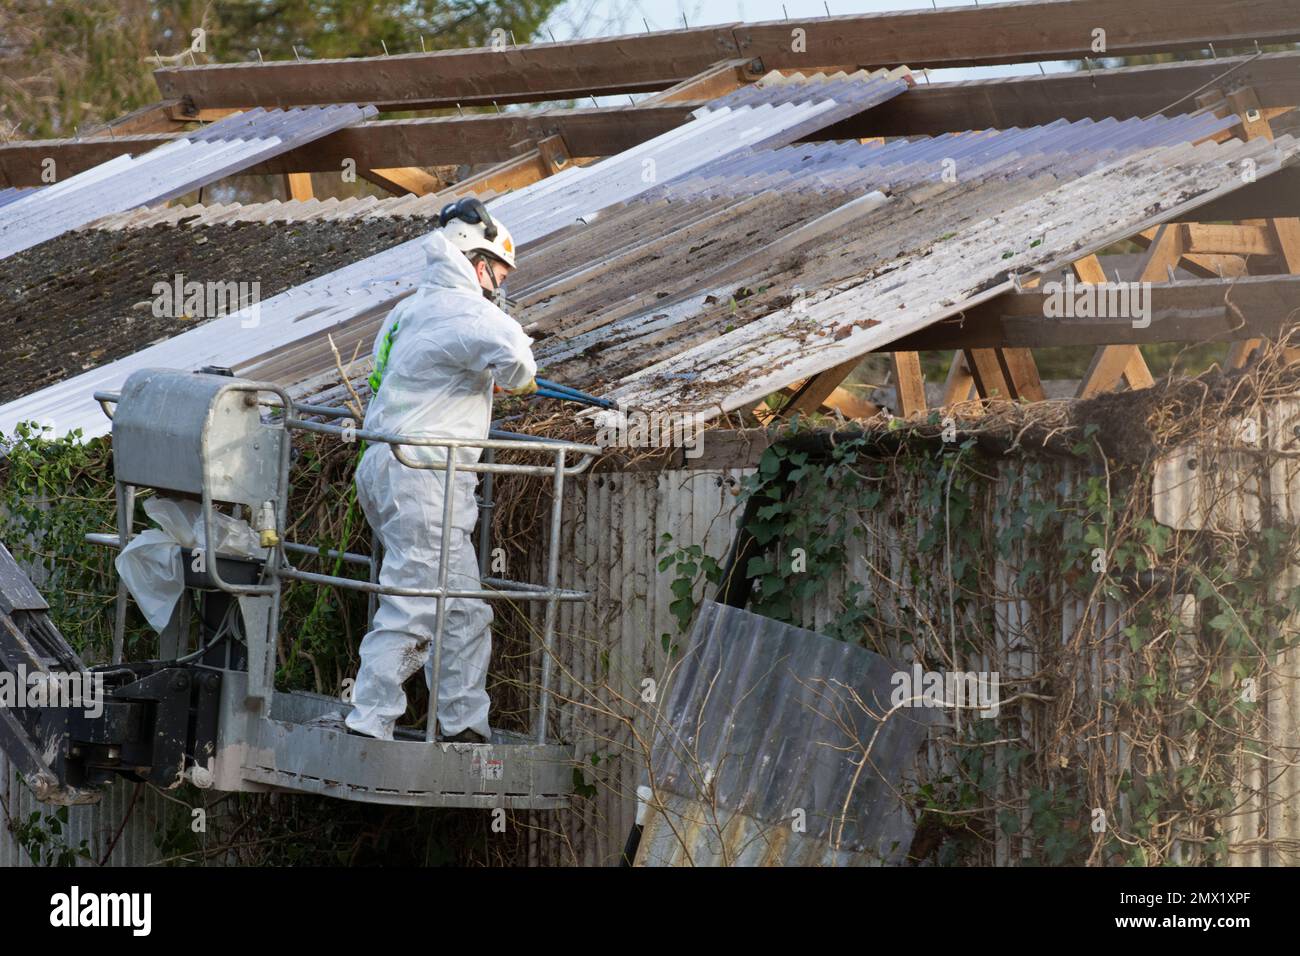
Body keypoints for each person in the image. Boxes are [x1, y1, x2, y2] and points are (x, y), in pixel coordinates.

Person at [345, 199, 537, 743]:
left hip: (385, 468)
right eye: (497, 274)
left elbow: (388, 375)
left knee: (461, 613)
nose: (498, 285)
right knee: (414, 605)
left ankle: (462, 724)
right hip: (426, 476)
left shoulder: (406, 311)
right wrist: (507, 369)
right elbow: (522, 367)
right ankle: (369, 720)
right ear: (477, 264)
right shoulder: (471, 312)